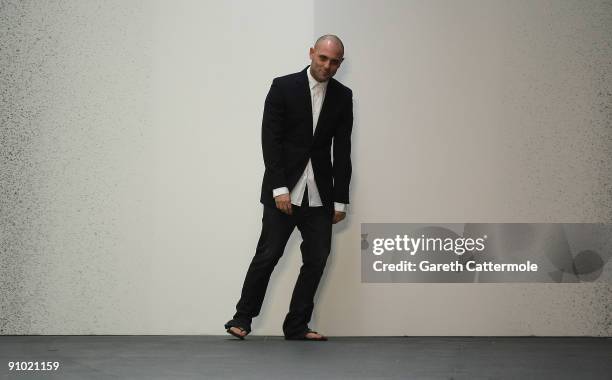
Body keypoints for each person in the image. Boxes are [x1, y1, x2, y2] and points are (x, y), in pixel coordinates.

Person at [224, 34, 353, 341]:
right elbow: (271, 139)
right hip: (284, 191)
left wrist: (340, 200)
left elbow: (343, 150)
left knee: (318, 259)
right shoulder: (282, 87)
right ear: (312, 53)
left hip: (320, 194)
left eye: (334, 61)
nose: (327, 65)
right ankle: (242, 318)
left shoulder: (343, 96)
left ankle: (296, 325)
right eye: (323, 58)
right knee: (268, 255)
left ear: (340, 64)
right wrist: (279, 188)